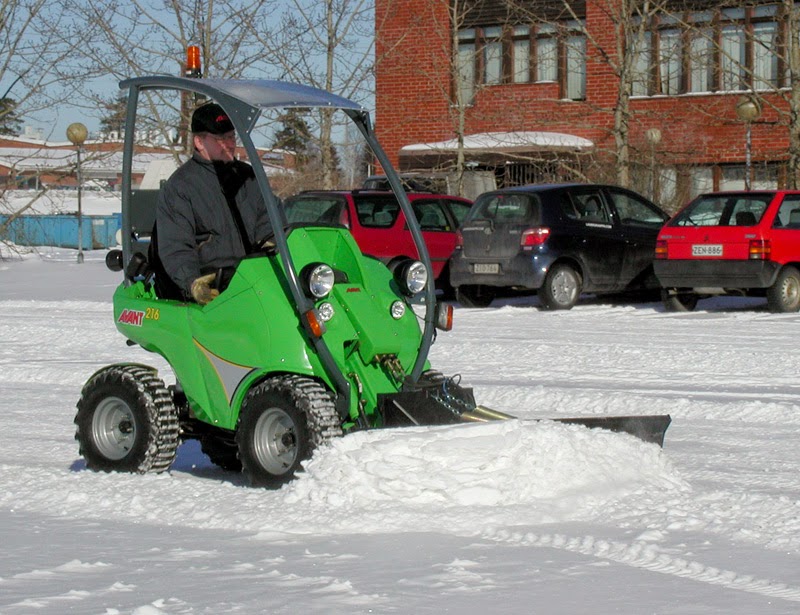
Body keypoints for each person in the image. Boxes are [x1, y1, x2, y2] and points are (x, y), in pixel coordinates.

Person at [155, 102, 272, 304]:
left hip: (253, 281)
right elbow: (176, 247)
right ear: (199, 142)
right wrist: (193, 283)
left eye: (231, 136)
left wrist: (274, 245)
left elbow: (269, 220)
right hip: (211, 288)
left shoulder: (248, 177)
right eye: (220, 139)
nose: (229, 143)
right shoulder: (180, 187)